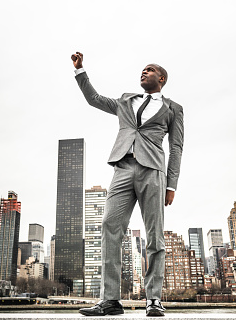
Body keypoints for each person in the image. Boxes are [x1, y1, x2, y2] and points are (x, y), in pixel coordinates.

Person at [72, 52, 184, 317]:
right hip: (123, 168)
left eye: (149, 70)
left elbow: (176, 147)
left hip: (153, 171)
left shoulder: (173, 108)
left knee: (155, 235)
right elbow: (94, 99)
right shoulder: (125, 101)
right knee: (109, 226)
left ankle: (153, 300)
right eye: (142, 70)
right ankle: (110, 300)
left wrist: (171, 184)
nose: (143, 73)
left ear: (161, 78)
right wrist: (80, 70)